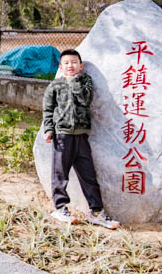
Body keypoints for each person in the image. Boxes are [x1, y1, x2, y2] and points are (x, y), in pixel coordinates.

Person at [42, 49, 120, 229]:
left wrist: (74, 81)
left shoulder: (85, 81)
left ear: (81, 66)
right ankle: (60, 208)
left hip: (82, 136)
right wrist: (48, 129)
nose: (70, 66)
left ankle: (96, 212)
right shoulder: (54, 86)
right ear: (60, 67)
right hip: (62, 134)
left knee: (88, 174)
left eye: (74, 62)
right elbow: (48, 110)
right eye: (67, 63)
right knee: (60, 173)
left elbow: (85, 99)